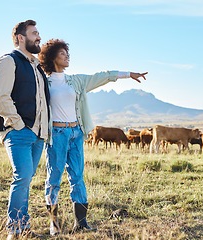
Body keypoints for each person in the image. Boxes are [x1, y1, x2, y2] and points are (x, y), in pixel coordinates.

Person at [38, 39, 147, 235]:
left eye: (67, 53)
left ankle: (81, 223)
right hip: (57, 134)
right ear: (52, 57)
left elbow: (102, 76)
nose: (67, 56)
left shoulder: (76, 80)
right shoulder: (43, 83)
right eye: (62, 53)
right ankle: (54, 225)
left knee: (77, 177)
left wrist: (128, 74)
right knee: (54, 178)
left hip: (76, 133)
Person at [0, 20, 50, 239]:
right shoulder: (9, 61)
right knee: (22, 177)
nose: (39, 37)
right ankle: (15, 231)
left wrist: (40, 130)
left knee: (26, 179)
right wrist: (18, 125)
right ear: (20, 38)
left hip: (37, 134)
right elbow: (1, 97)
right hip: (19, 131)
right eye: (34, 33)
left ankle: (22, 228)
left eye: (38, 33)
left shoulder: (37, 67)